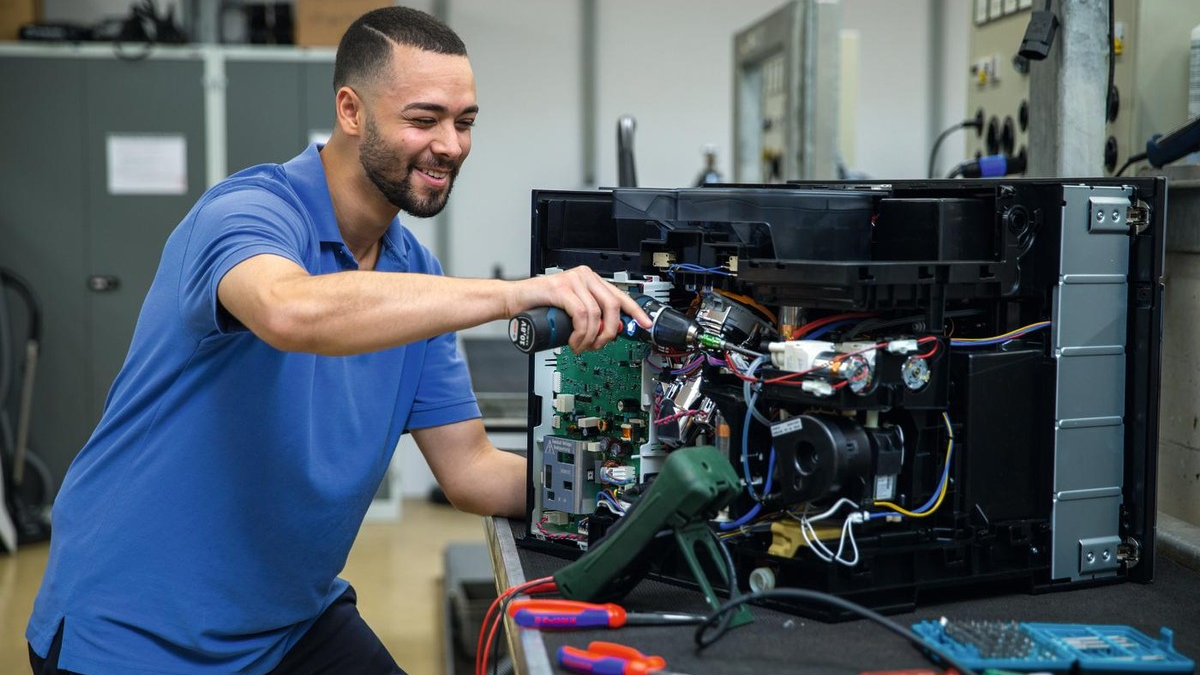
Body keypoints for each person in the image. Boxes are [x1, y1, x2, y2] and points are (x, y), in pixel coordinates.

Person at [25, 7, 650, 675]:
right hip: (134, 633)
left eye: (464, 122)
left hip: (286, 624)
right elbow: (290, 311)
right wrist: (515, 293)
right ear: (351, 111)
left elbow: (470, 470)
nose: (452, 144)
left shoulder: (415, 276)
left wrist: (626, 489)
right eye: (424, 118)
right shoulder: (247, 212)